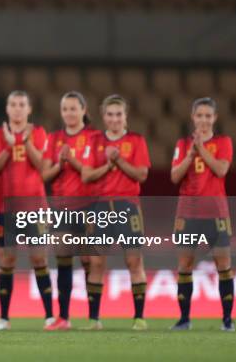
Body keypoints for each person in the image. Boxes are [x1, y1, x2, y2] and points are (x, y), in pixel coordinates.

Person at [81, 94, 150, 331]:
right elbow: (86, 175)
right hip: (101, 206)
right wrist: (107, 166)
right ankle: (93, 319)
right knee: (96, 262)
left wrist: (119, 160)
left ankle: (139, 318)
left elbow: (141, 175)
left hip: (127, 206)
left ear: (125, 116)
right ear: (103, 116)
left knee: (134, 260)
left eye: (118, 114)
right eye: (110, 114)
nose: (114, 119)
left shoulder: (136, 141)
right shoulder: (95, 141)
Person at [0, 90, 54, 331]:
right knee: (7, 259)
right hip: (5, 208)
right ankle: (4, 318)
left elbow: (42, 165)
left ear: (29, 109)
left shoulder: (38, 133)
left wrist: (24, 141)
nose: (17, 109)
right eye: (13, 104)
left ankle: (49, 316)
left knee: (39, 258)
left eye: (21, 105)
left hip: (35, 207)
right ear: (7, 109)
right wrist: (8, 145)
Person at [170, 97, 234, 331]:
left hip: (216, 213)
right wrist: (189, 155)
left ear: (215, 118)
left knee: (223, 264)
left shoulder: (224, 142)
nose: (204, 120)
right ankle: (184, 319)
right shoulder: (182, 144)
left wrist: (201, 149)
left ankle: (227, 320)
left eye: (208, 116)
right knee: (185, 264)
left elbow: (220, 169)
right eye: (200, 116)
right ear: (193, 117)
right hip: (188, 213)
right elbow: (175, 177)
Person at [40, 91, 96, 330]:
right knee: (63, 259)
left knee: (88, 260)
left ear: (83, 110)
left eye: (74, 108)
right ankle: (63, 317)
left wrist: (72, 161)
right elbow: (44, 175)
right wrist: (60, 164)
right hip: (62, 207)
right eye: (65, 109)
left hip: (89, 205)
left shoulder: (95, 137)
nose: (69, 113)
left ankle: (94, 317)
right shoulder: (53, 139)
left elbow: (95, 172)